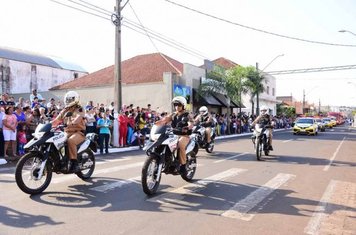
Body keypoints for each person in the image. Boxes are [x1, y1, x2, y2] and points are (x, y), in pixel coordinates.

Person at [155, 96, 193, 174]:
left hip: (184, 136)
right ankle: (165, 161)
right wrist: (156, 123)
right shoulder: (173, 115)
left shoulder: (186, 115)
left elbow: (191, 123)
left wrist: (188, 126)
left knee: (180, 144)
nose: (177, 107)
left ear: (183, 105)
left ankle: (183, 166)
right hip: (173, 135)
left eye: (179, 105)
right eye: (175, 105)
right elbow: (164, 120)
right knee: (161, 142)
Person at [51, 91, 85, 172]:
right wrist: (47, 125)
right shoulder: (65, 110)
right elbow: (56, 120)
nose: (68, 101)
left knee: (71, 141)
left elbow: (78, 117)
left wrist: (73, 122)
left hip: (78, 132)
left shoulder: (79, 108)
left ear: (75, 99)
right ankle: (60, 161)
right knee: (56, 140)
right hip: (67, 132)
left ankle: (74, 163)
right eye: (67, 99)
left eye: (70, 99)